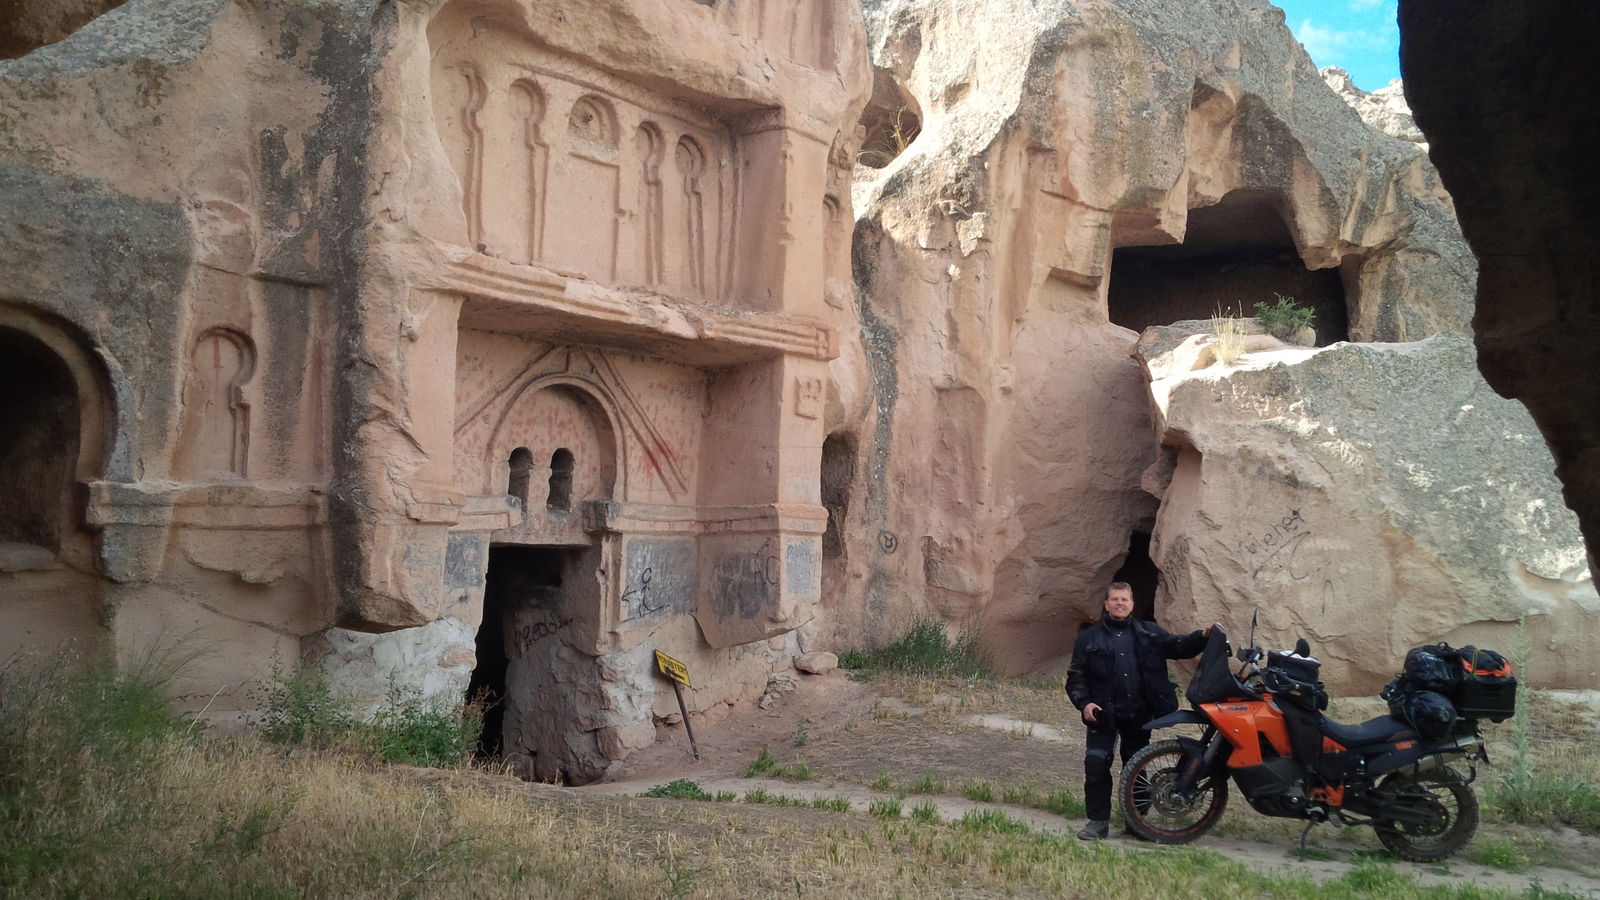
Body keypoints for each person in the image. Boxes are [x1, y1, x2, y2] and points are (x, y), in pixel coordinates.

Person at [1065, 581, 1209, 840]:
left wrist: (1203, 637)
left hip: (1138, 715)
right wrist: (1084, 703)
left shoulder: (1150, 632)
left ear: (1132, 604)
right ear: (1106, 604)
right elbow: (1076, 677)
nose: (1120, 603)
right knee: (1096, 765)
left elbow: (1179, 646)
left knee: (1136, 769)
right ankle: (1097, 823)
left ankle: (1136, 823)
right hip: (1102, 716)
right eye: (1115, 599)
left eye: (1125, 599)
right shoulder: (1089, 637)